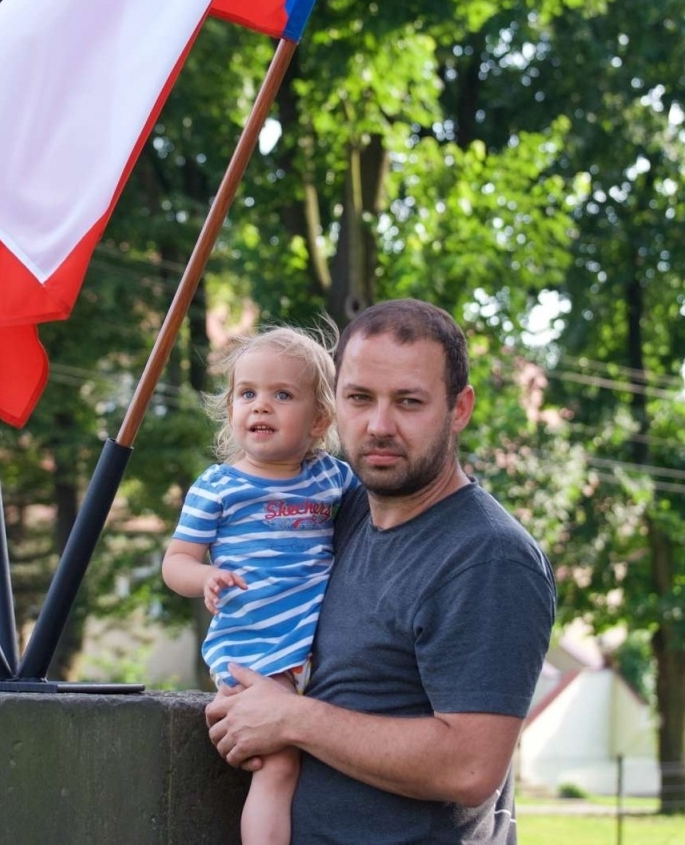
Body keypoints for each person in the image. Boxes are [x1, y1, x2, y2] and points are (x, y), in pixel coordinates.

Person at [206, 299, 556, 845]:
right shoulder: (336, 519)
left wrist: (290, 719)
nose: (379, 425)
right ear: (332, 405)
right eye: (359, 398)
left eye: (409, 402)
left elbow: (469, 766)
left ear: (459, 408)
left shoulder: (486, 557)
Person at [163, 325, 356, 845]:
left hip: (319, 649)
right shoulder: (219, 487)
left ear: (319, 420)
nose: (261, 407)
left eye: (282, 395)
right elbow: (175, 561)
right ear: (231, 410)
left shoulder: (333, 479)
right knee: (279, 769)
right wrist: (204, 575)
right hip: (255, 651)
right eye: (247, 393)